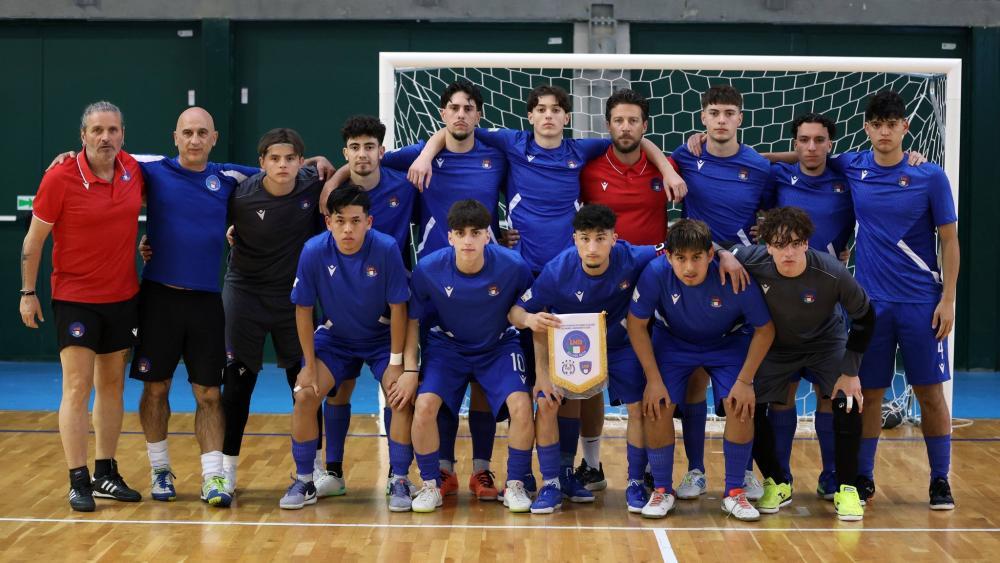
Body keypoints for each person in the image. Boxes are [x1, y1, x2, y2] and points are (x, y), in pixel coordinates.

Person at [409, 83, 686, 491]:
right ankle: (481, 471)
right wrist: (425, 153)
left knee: (572, 381)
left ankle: (568, 472)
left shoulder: (580, 151)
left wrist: (666, 169)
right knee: (517, 383)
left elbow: (634, 140)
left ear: (567, 118)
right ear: (529, 116)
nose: (549, 116)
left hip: (571, 273)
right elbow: (455, 127)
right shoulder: (512, 143)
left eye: (556, 110)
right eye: (540, 109)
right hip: (520, 276)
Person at [327, 84, 508, 499]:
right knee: (436, 376)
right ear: (442, 113)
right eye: (453, 108)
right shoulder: (413, 156)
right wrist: (328, 185)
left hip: (486, 276)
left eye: (468, 108)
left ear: (479, 115)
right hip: (431, 282)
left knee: (482, 376)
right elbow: (362, 166)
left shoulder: (497, 153)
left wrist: (506, 236)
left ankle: (482, 469)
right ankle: (440, 467)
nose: (460, 115)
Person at [828, 90, 959, 510]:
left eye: (892, 124)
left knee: (930, 393)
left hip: (922, 304)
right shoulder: (852, 165)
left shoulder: (930, 176)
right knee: (869, 393)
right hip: (871, 307)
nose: (884, 132)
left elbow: (950, 241)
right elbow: (803, 156)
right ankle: (864, 477)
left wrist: (949, 299)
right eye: (877, 124)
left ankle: (940, 480)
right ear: (867, 128)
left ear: (905, 127)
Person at [20, 101, 144, 512]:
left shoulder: (133, 169)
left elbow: (185, 160)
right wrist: (27, 292)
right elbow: (33, 242)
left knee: (112, 386)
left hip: (122, 296)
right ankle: (78, 480)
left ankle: (105, 472)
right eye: (97, 130)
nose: (105, 137)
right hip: (75, 299)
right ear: (83, 135)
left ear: (123, 134)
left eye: (112, 130)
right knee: (77, 387)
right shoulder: (60, 177)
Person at [718, 207, 875, 521]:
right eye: (778, 245)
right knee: (746, 404)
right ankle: (777, 481)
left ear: (806, 243)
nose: (786, 252)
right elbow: (714, 251)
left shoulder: (831, 272)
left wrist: (850, 371)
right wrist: (724, 254)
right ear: (767, 246)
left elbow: (865, 317)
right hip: (776, 346)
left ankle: (847, 488)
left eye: (794, 244)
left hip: (825, 344)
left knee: (847, 401)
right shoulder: (753, 258)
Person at [510, 204, 662, 513]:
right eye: (584, 238)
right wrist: (532, 332)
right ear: (574, 240)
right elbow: (517, 311)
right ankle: (552, 483)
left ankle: (635, 482)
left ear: (614, 239)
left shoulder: (633, 256)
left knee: (638, 407)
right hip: (570, 347)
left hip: (620, 345)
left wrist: (725, 255)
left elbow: (676, 246)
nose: (592, 247)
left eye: (600, 238)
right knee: (547, 400)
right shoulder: (556, 271)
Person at [627, 219, 774, 520]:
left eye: (696, 257)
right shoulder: (655, 274)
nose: (689, 267)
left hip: (727, 342)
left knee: (741, 404)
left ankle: (735, 492)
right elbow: (636, 324)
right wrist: (653, 379)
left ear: (711, 254)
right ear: (668, 257)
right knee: (656, 404)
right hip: (673, 342)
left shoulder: (734, 276)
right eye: (680, 258)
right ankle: (662, 490)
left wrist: (745, 381)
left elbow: (765, 329)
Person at [671, 85, 774, 501]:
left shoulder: (759, 167)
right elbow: (650, 153)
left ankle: (744, 471)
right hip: (695, 271)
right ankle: (695, 470)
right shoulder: (684, 157)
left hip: (742, 279)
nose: (721, 120)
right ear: (702, 117)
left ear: (740, 118)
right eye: (714, 112)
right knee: (694, 380)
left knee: (739, 387)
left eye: (729, 112)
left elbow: (772, 205)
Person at [284, 184, 415, 511]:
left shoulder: (386, 249)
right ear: (328, 222)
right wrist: (309, 364)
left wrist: (397, 362)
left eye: (355, 221)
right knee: (303, 394)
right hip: (336, 338)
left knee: (399, 395)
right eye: (340, 220)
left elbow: (400, 307)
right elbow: (302, 309)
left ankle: (398, 478)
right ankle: (304, 480)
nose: (347, 228)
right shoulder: (313, 250)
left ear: (368, 222)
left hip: (381, 339)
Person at [572, 88, 677, 491]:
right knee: (588, 379)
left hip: (653, 285)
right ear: (608, 125)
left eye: (634, 120)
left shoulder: (666, 166)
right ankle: (593, 464)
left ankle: (652, 468)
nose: (626, 127)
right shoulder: (588, 168)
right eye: (619, 120)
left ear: (645, 126)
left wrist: (666, 168)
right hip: (599, 284)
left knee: (651, 378)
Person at [407, 199, 536, 513]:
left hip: (498, 346)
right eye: (460, 233)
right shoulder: (428, 269)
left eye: (475, 233)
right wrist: (410, 367)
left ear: (487, 236)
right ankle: (430, 485)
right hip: (448, 347)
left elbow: (528, 310)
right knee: (424, 405)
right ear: (449, 237)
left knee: (521, 404)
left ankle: (516, 484)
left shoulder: (513, 266)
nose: (467, 240)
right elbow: (411, 319)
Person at [220, 128, 330, 495]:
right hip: (245, 292)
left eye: (290, 159)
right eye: (274, 159)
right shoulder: (240, 194)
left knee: (304, 384)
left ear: (301, 162)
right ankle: (226, 470)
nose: (282, 165)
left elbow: (340, 172)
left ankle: (311, 470)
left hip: (294, 298)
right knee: (237, 382)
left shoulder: (313, 183)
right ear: (261, 163)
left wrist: (324, 163)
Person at [761, 113, 855, 499]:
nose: (811, 147)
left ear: (831, 144)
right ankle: (780, 478)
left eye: (819, 140)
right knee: (782, 392)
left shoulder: (847, 175)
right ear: (794, 144)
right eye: (803, 140)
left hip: (830, 295)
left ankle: (832, 475)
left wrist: (913, 156)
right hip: (782, 297)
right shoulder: (778, 177)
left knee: (829, 394)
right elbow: (754, 164)